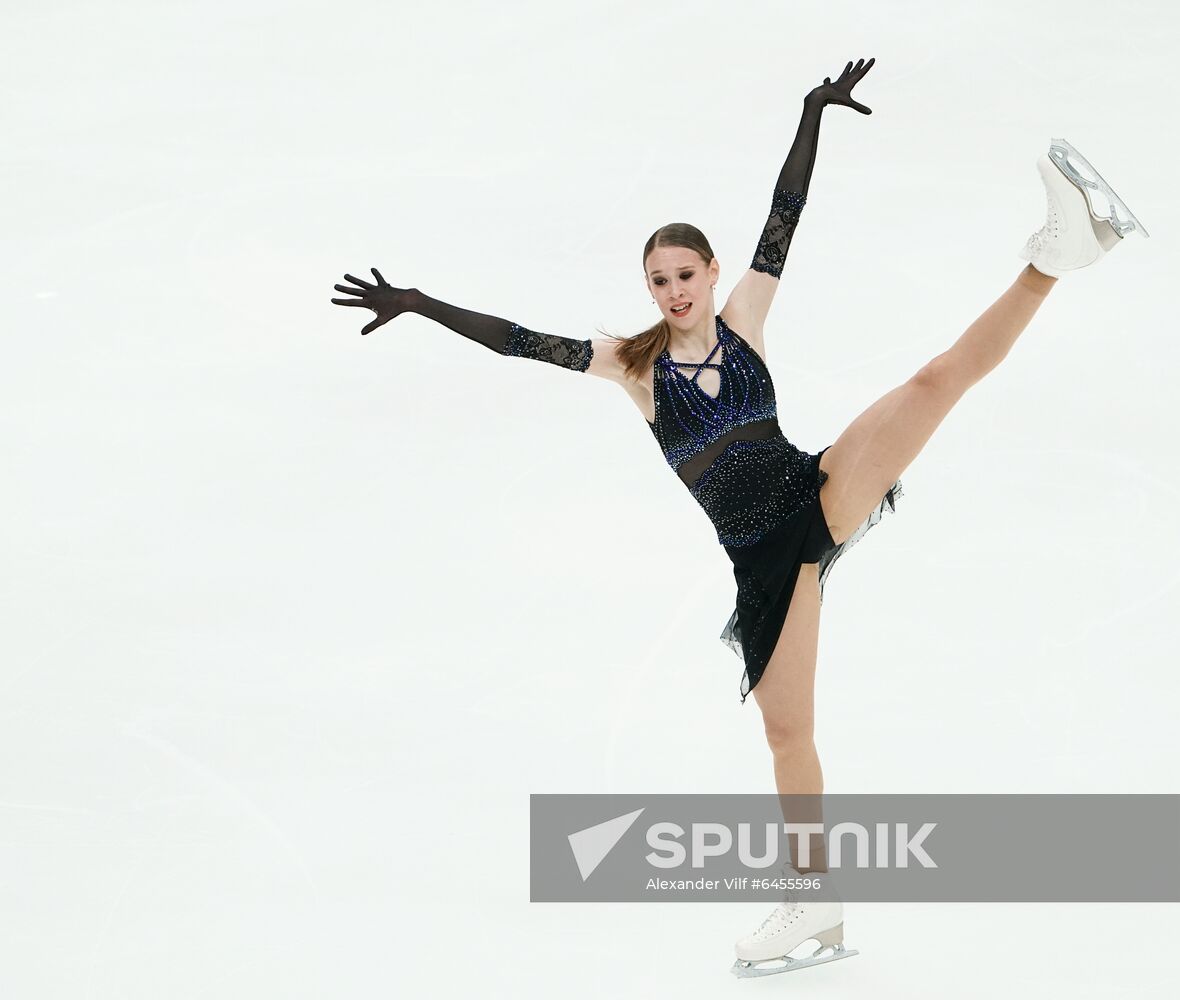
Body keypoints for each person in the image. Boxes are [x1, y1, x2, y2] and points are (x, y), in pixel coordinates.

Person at [331, 57, 1148, 977]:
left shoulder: (746, 317)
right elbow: (518, 341)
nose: (674, 290)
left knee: (930, 382)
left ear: (712, 273)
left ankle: (1055, 255)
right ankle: (818, 897)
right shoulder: (633, 367)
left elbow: (783, 216)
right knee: (787, 734)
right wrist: (417, 303)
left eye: (686, 273)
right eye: (658, 279)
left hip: (817, 492)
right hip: (762, 565)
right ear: (648, 290)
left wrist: (812, 115)